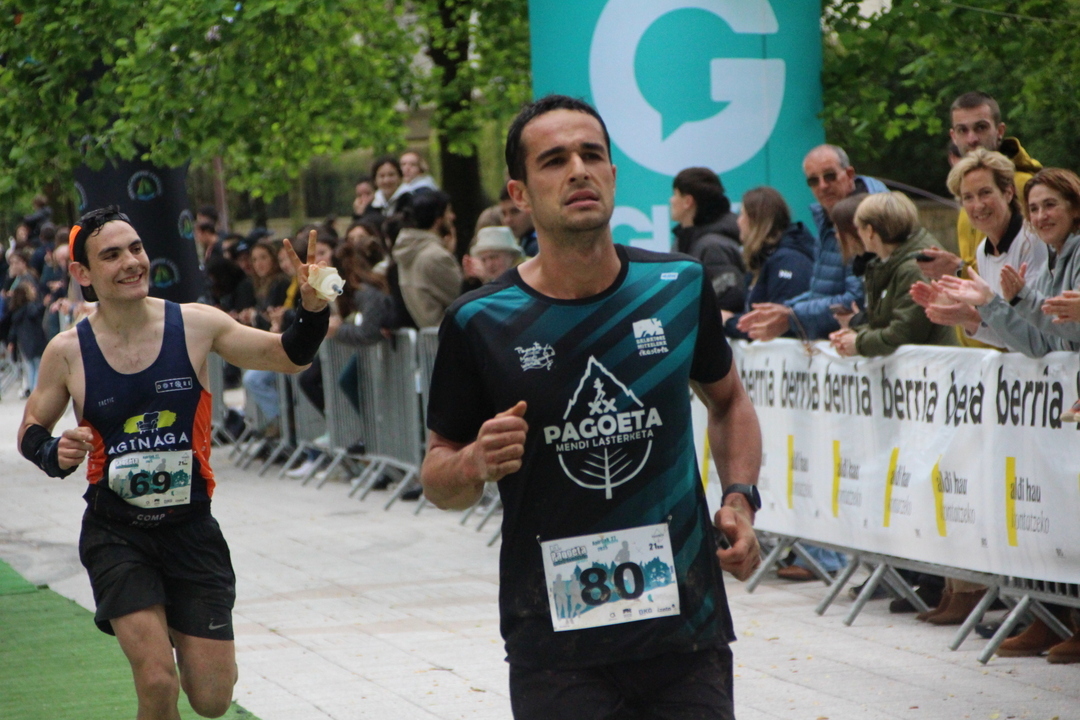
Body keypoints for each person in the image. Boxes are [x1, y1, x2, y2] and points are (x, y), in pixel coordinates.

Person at [420, 95, 762, 720]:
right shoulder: (481, 321)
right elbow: (437, 478)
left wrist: (739, 499)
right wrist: (472, 462)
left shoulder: (678, 286)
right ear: (520, 194)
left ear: (612, 174)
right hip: (555, 645)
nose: (578, 170)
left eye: (591, 155)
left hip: (686, 628)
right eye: (554, 160)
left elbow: (730, 401)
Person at [17, 206, 330, 719]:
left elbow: (288, 356)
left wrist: (313, 312)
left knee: (212, 698)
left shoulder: (195, 324)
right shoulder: (68, 350)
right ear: (82, 273)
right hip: (116, 534)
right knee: (158, 680)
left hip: (191, 530)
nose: (131, 262)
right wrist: (55, 453)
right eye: (111, 255)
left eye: (136, 248)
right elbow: (31, 429)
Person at [736, 144, 887, 342]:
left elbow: (856, 300)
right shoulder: (826, 220)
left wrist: (792, 315)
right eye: (813, 180)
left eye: (830, 176)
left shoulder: (867, 220)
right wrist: (786, 310)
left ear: (849, 174)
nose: (823, 186)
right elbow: (820, 292)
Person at [912, 149, 1049, 352]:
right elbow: (1008, 338)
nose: (978, 205)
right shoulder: (982, 251)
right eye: (968, 197)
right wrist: (966, 318)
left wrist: (978, 313)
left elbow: (1036, 335)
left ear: (1008, 192)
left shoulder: (1033, 241)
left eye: (985, 193)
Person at [917, 91, 1042, 283]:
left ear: (999, 131)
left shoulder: (1027, 185)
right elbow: (984, 265)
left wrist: (959, 269)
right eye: (962, 130)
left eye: (981, 127)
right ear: (953, 136)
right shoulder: (965, 190)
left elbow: (1030, 263)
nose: (972, 139)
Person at [828, 192, 957, 357]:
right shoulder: (892, 264)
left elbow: (905, 333)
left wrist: (858, 342)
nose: (858, 234)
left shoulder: (913, 269)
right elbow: (887, 324)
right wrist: (855, 334)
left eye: (859, 228)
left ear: (870, 231)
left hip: (933, 364)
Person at [723, 186, 815, 339]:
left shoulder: (788, 261)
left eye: (742, 215)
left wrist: (728, 322)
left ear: (756, 221)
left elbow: (777, 325)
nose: (738, 222)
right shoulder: (762, 260)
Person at [670, 167, 746, 314]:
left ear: (687, 201)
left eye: (675, 194)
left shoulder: (713, 246)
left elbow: (728, 302)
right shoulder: (684, 240)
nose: (671, 200)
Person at [391, 190, 462, 328]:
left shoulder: (408, 251)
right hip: (451, 335)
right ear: (438, 219)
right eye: (448, 212)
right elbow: (467, 299)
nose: (452, 216)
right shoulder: (436, 257)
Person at [499, 186, 538, 257]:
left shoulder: (538, 246)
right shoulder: (521, 243)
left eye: (514, 211)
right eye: (504, 214)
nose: (508, 220)